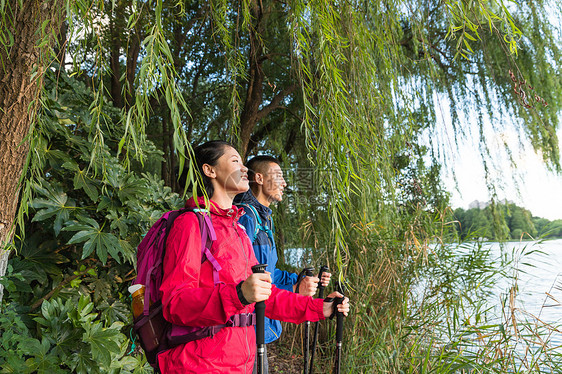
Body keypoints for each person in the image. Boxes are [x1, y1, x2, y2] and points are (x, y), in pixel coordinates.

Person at [158, 141, 349, 373]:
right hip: (201, 364)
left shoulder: (237, 228)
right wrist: (239, 295)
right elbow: (175, 303)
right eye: (235, 161)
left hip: (241, 363)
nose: (245, 168)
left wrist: (321, 308)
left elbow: (264, 296)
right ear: (210, 170)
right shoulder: (190, 224)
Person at [234, 155, 331, 373]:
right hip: (247, 328)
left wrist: (299, 281)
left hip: (261, 323)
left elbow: (269, 272)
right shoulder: (245, 217)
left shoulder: (264, 219)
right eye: (278, 176)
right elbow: (241, 278)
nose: (284, 183)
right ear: (258, 178)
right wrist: (295, 289)